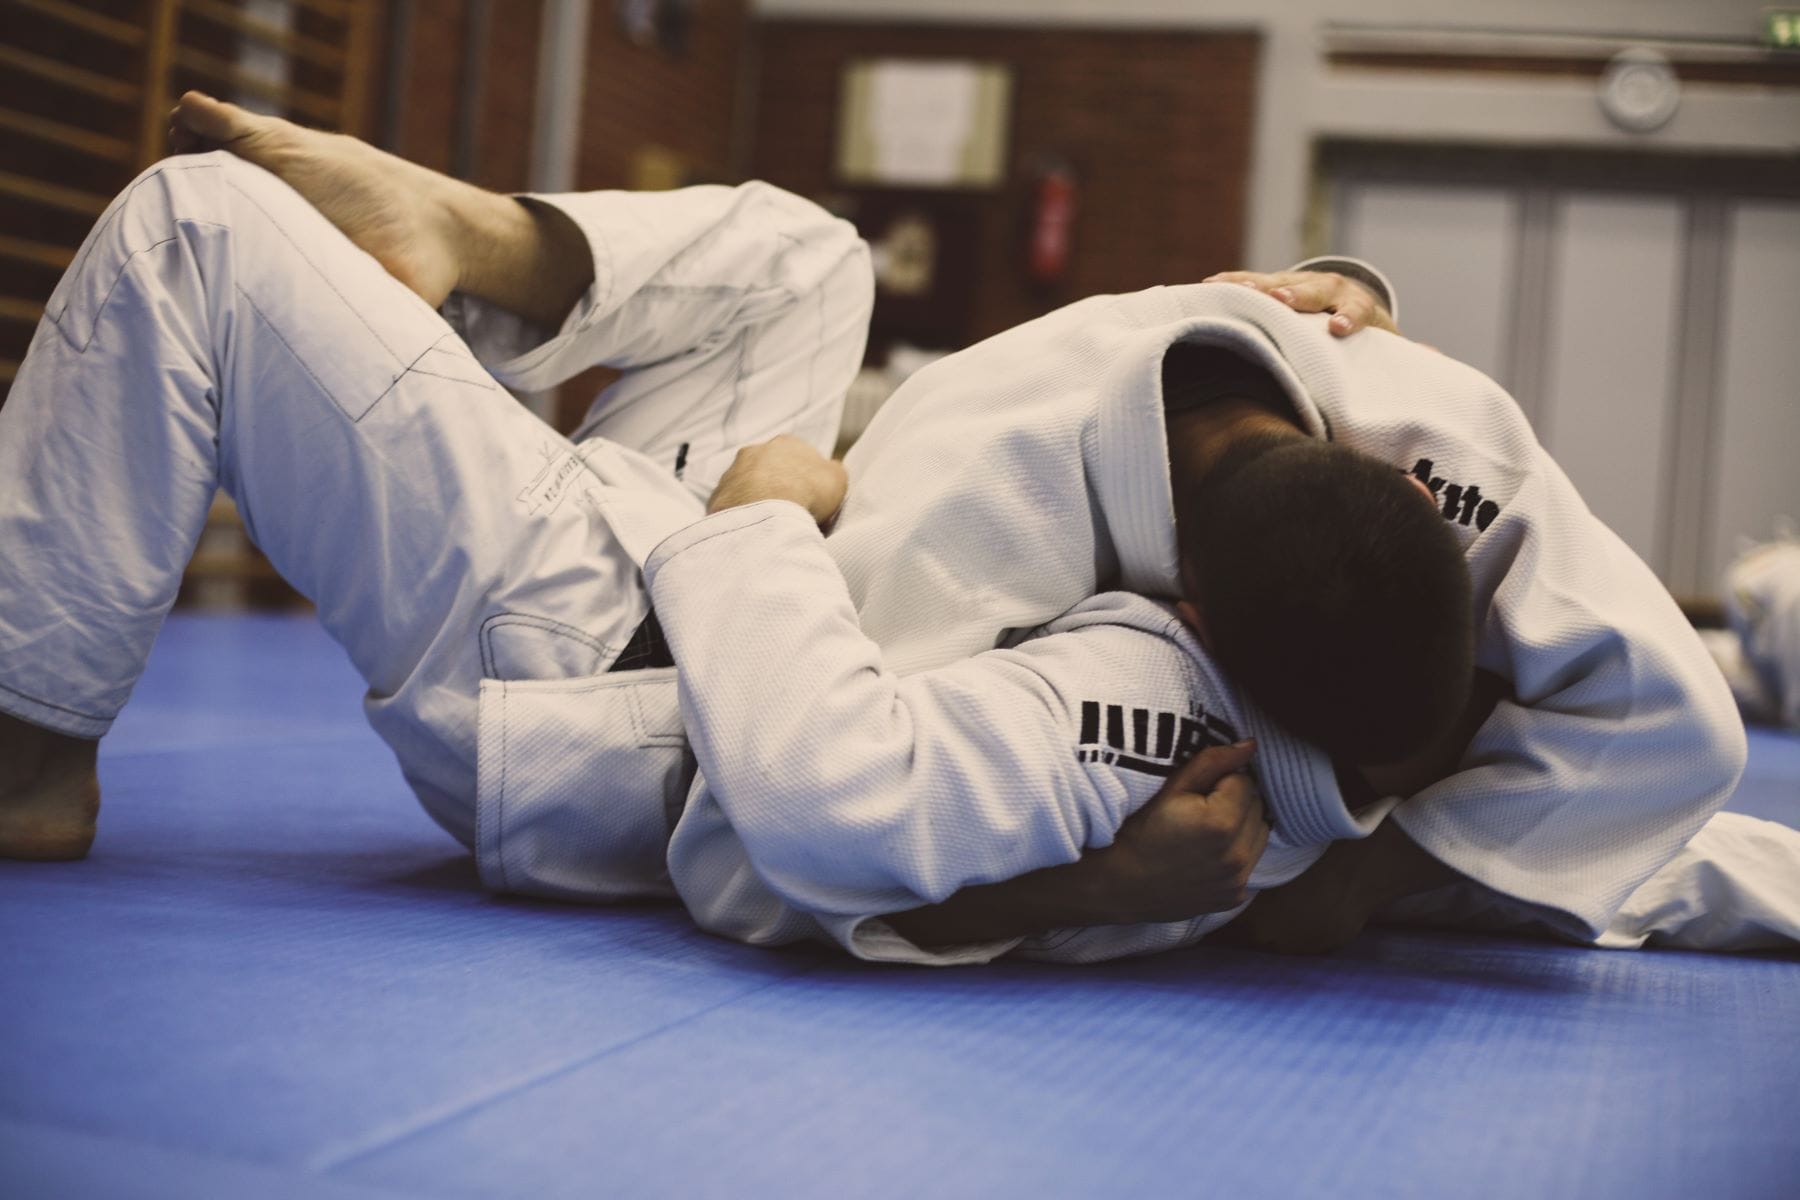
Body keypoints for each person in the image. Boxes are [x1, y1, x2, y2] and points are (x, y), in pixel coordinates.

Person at [1, 95, 1749, 964]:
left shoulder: (1232, 537)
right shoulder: (1066, 532)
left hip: (606, 660)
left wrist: (1094, 886)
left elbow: (767, 832)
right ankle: (483, 238)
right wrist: (769, 513)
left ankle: (30, 738)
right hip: (744, 536)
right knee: (813, 253)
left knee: (197, 227)